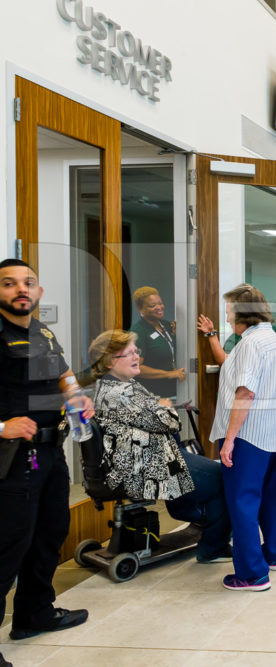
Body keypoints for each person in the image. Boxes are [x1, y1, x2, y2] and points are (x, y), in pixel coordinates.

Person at [0, 258, 89, 655]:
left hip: (50, 452)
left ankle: (35, 612)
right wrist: (1, 427)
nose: (20, 289)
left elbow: (63, 374)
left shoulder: (43, 332)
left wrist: (75, 395)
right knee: (9, 545)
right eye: (8, 283)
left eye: (28, 282)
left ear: (38, 291)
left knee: (49, 534)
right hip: (11, 456)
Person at [88, 329, 232, 563]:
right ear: (109, 361)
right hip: (150, 465)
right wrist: (165, 407)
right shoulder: (120, 393)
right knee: (224, 478)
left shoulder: (112, 387)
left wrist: (161, 407)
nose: (137, 357)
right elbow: (170, 421)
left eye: (137, 351)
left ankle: (187, 510)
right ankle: (213, 547)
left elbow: (155, 417)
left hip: (150, 457)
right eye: (130, 354)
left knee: (201, 470)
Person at [211, 284, 276, 591]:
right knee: (270, 498)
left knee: (243, 502)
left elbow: (244, 393)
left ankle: (251, 574)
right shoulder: (274, 340)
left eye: (230, 310)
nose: (227, 316)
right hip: (273, 434)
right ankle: (275, 555)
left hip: (249, 436)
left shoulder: (250, 344)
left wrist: (230, 438)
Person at [129, 286, 184, 398]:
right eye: (152, 305)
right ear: (140, 309)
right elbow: (137, 368)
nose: (159, 307)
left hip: (174, 392)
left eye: (160, 303)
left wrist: (177, 334)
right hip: (152, 396)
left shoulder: (167, 326)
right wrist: (168, 374)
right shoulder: (138, 331)